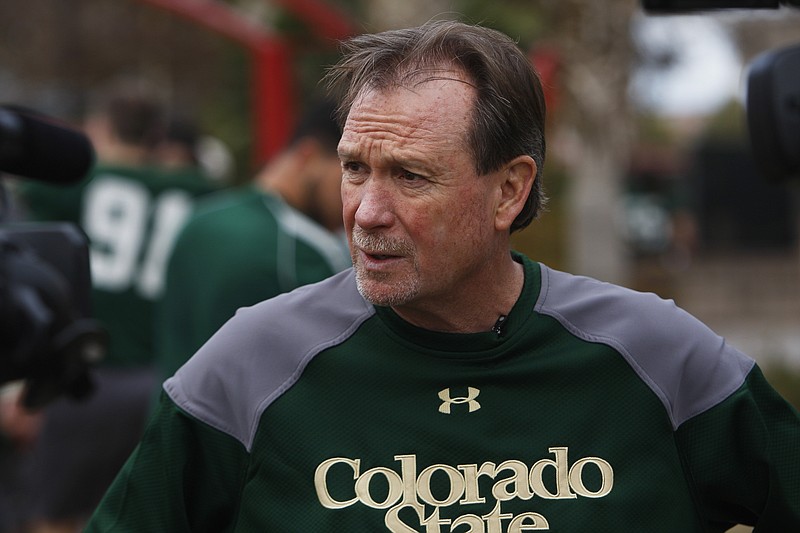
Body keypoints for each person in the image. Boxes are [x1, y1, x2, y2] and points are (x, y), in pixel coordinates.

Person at [85, 20, 800, 532]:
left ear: (508, 192)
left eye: (410, 176)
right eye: (354, 168)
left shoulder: (659, 355)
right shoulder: (249, 364)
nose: (366, 212)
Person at [13, 81, 218, 532]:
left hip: (87, 379)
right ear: (157, 137)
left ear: (103, 127)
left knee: (54, 516)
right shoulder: (196, 190)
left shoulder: (75, 185)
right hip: (161, 383)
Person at [154, 98, 351, 382]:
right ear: (308, 156)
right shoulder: (299, 251)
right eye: (352, 170)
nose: (358, 196)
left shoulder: (201, 218)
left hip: (173, 413)